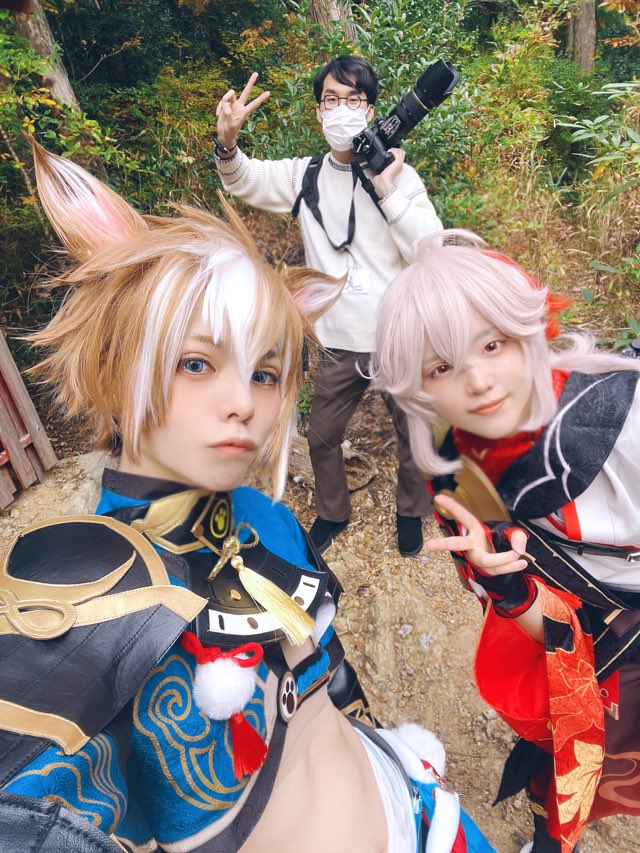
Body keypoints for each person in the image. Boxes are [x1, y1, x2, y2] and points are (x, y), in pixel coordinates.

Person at [0, 146, 495, 853]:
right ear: (120, 361)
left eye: (265, 373)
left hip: (420, 808)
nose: (244, 403)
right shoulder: (74, 588)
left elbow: (330, 683)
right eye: (196, 362)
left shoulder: (272, 519)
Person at [374, 229, 640, 853]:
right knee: (568, 759)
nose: (478, 380)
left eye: (493, 344)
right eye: (441, 367)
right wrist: (508, 585)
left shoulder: (625, 417)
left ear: (532, 331)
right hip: (593, 648)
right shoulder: (458, 474)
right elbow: (555, 632)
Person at [214, 55, 443, 557]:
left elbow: (431, 249)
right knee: (321, 435)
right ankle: (333, 512)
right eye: (331, 100)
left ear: (371, 109)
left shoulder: (400, 175)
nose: (341, 109)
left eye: (353, 99)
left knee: (414, 434)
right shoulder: (305, 176)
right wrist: (227, 141)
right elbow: (243, 179)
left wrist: (386, 189)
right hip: (338, 339)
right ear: (319, 112)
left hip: (398, 336)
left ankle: (411, 511)